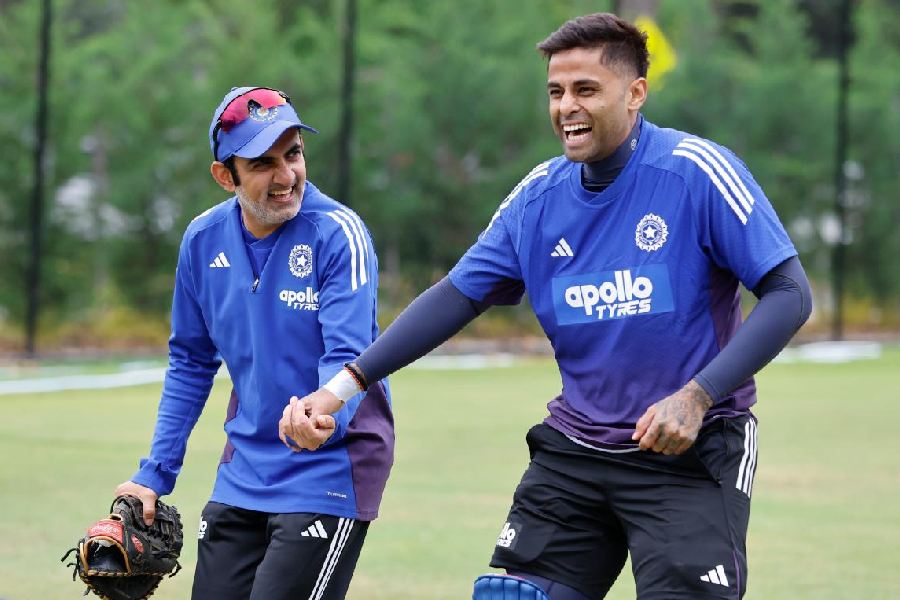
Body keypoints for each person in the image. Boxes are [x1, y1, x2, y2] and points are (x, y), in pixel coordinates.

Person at [283, 12, 812, 600]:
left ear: (636, 93)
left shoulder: (695, 172)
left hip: (691, 452)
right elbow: (457, 296)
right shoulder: (536, 197)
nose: (567, 107)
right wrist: (341, 387)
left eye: (586, 90)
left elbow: (790, 293)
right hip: (576, 453)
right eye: (556, 92)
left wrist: (698, 395)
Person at [115, 86, 394, 600]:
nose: (287, 176)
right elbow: (191, 362)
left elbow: (350, 358)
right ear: (226, 176)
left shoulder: (338, 233)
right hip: (243, 471)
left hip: (330, 467)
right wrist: (153, 474)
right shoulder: (202, 240)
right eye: (263, 163)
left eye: (294, 154)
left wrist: (322, 422)